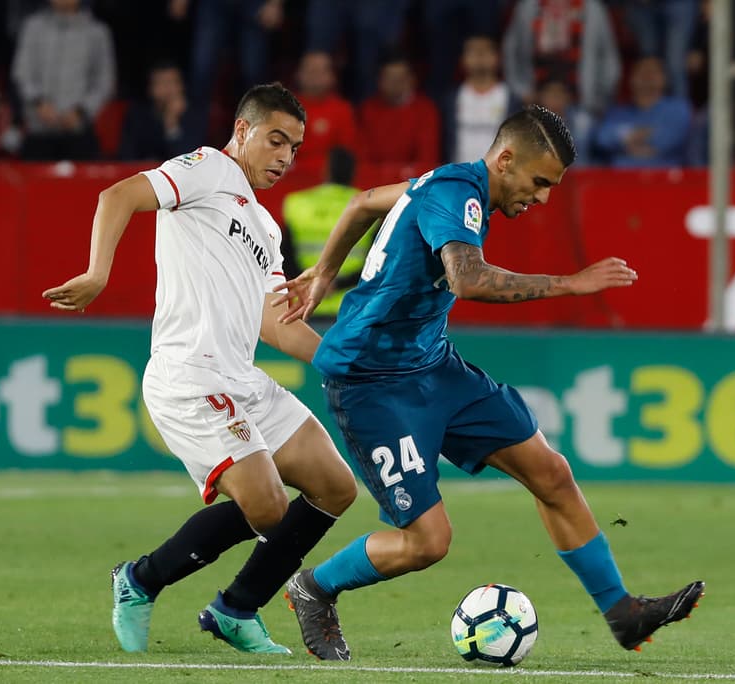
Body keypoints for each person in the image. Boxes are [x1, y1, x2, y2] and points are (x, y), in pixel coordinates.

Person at [274, 105, 705, 661]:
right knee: (428, 542)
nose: (542, 198)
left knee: (551, 472)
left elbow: (363, 202)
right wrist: (569, 284)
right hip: (371, 382)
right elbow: (468, 278)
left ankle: (623, 613)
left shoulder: (447, 185)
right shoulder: (457, 193)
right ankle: (314, 587)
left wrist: (325, 271)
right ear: (504, 160)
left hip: (432, 366)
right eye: (540, 182)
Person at [41, 83, 357, 655]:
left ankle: (237, 609)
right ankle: (139, 579)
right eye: (275, 140)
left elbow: (275, 323)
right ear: (243, 131)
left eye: (294, 147)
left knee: (335, 487)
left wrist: (344, 362)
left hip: (242, 380)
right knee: (268, 506)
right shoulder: (208, 168)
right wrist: (97, 273)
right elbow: (117, 196)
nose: (285, 157)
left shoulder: (266, 228)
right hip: (189, 375)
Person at [11, 0, 115, 160]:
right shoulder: (33, 27)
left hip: (79, 133)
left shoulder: (97, 32)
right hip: (38, 133)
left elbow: (104, 81)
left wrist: (81, 112)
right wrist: (38, 102)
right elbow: (22, 72)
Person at [281, 147, 368, 318]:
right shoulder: (366, 205)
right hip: (350, 307)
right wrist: (336, 284)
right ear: (353, 172)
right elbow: (376, 261)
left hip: (307, 303)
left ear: (326, 170)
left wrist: (314, 281)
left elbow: (285, 257)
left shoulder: (296, 203)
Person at [502, 0, 621, 116]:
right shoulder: (528, 7)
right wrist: (521, 90)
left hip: (582, 104)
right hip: (534, 100)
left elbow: (609, 57)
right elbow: (511, 51)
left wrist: (597, 95)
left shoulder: (592, 8)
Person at [592, 56, 691, 167]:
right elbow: (603, 138)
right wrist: (631, 134)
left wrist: (623, 140)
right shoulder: (618, 112)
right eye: (641, 71)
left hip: (665, 174)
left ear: (664, 78)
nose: (647, 76)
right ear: (631, 79)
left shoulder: (678, 108)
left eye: (653, 72)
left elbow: (666, 140)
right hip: (622, 174)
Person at [358, 53, 440, 173]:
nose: (396, 84)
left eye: (401, 78)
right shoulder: (367, 110)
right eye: (390, 78)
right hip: (375, 180)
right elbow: (363, 159)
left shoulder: (426, 110)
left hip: (412, 181)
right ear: (379, 80)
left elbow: (427, 160)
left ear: (413, 79)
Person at [447, 34, 520, 164]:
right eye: (473, 51)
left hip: (498, 174)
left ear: (498, 58)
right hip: (460, 173)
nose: (479, 55)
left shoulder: (512, 100)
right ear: (463, 59)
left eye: (486, 50)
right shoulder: (452, 99)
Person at [293, 51, 358, 177]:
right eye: (310, 70)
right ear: (299, 74)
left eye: (321, 71)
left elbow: (346, 151)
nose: (315, 76)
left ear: (332, 77)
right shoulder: (284, 108)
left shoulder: (343, 109)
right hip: (293, 178)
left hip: (331, 178)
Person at [118, 61, 194, 161]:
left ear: (181, 86)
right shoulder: (138, 115)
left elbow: (189, 161)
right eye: (162, 83)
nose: (168, 90)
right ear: (150, 88)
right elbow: (128, 156)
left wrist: (171, 122)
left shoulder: (194, 115)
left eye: (171, 83)